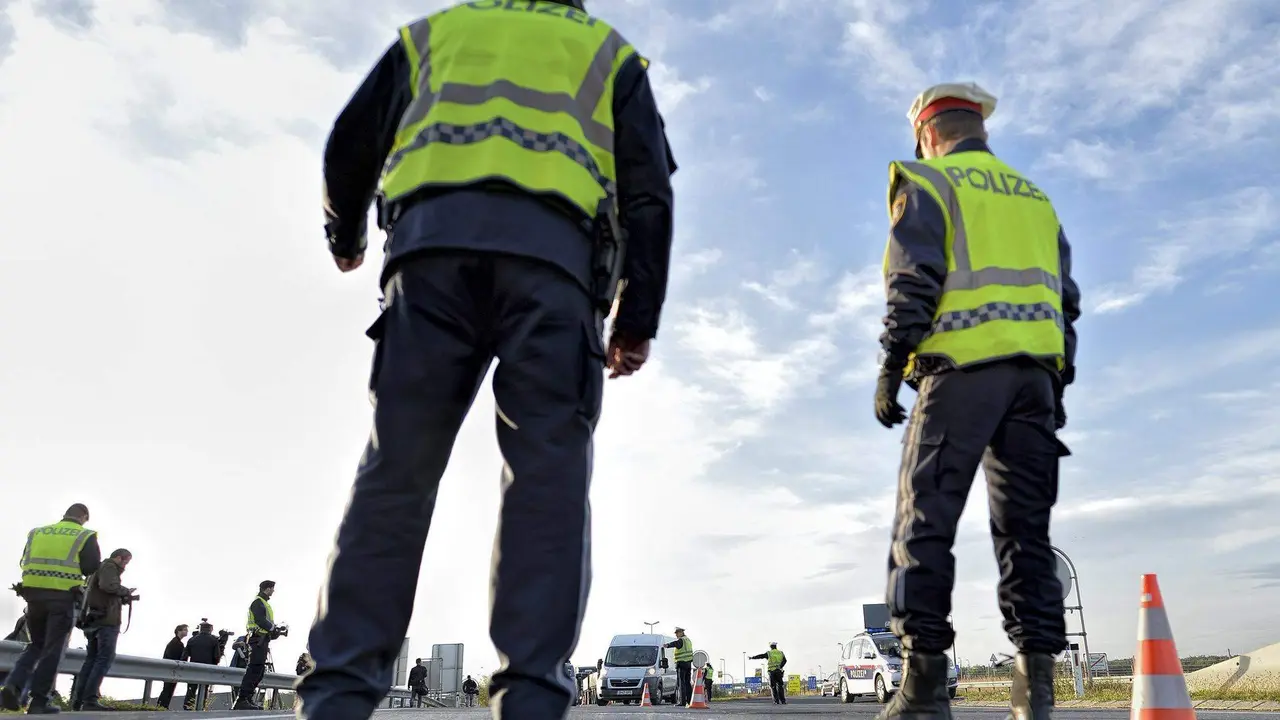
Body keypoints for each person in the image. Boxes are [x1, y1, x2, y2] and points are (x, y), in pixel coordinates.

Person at [295, 2, 676, 720]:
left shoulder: (436, 34)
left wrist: (343, 233)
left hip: (429, 258)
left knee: (395, 471)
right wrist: (636, 317)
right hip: (555, 273)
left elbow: (350, 142)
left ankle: (337, 697)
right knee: (547, 480)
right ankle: (530, 699)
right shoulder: (607, 54)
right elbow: (649, 195)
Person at [873, 81, 1081, 720]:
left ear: (928, 134)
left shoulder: (928, 183)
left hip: (959, 371)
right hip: (1034, 382)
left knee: (924, 522)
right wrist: (1059, 380)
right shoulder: (1037, 200)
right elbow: (1065, 301)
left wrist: (891, 362)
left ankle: (924, 690)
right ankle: (1035, 693)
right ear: (979, 128)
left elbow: (915, 278)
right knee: (1027, 533)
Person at [1, 503, 101, 715]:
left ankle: (13, 685)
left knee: (36, 645)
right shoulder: (85, 535)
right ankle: (39, 701)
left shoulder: (37, 532)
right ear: (83, 516)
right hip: (62, 597)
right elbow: (91, 567)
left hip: (33, 597)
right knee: (53, 649)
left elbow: (24, 561)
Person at [71, 548, 135, 711]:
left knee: (91, 659)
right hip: (106, 620)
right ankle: (90, 699)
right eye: (126, 561)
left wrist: (122, 597)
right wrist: (125, 591)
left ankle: (79, 700)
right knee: (104, 658)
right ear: (120, 558)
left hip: (93, 618)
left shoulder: (97, 568)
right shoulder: (109, 567)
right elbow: (108, 586)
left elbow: (101, 592)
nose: (126, 566)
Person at [234, 580, 280, 710]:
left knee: (259, 670)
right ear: (267, 589)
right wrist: (273, 628)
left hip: (262, 639)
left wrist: (274, 632)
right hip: (257, 640)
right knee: (254, 668)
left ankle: (247, 698)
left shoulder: (263, 603)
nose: (273, 591)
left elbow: (265, 623)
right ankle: (242, 699)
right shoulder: (258, 602)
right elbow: (261, 621)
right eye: (272, 588)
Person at [181, 622, 222, 711]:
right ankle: (201, 707)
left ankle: (188, 707)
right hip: (207, 668)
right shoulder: (213, 640)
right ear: (210, 629)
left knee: (191, 688)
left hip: (193, 667)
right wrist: (214, 666)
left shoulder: (192, 639)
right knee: (204, 688)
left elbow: (185, 655)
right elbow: (216, 657)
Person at [155, 624, 189, 709]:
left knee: (168, 688)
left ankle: (162, 706)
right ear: (179, 631)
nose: (186, 632)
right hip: (172, 669)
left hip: (169, 669)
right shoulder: (176, 643)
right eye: (184, 630)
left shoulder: (175, 642)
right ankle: (162, 706)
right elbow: (177, 657)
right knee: (168, 688)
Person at [662, 628, 693, 706]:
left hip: (682, 664)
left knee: (681, 683)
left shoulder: (681, 640)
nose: (676, 635)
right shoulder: (688, 640)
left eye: (677, 633)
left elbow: (676, 643)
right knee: (687, 683)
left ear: (681, 632)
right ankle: (690, 701)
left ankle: (682, 702)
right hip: (688, 664)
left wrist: (667, 645)